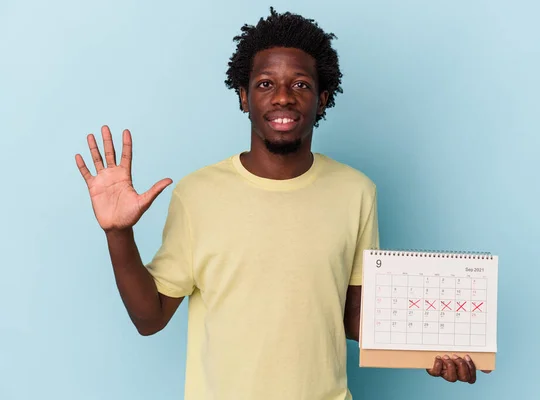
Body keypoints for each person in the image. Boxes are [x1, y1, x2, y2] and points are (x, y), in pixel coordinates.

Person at [75, 7, 488, 400]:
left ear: (323, 99)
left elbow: (349, 314)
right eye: (266, 84)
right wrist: (118, 233)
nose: (283, 97)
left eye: (301, 84)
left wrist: (436, 348)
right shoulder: (197, 194)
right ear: (243, 96)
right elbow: (150, 319)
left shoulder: (356, 191)